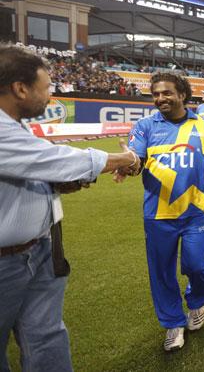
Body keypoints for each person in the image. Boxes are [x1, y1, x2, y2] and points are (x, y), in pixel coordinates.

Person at [0, 45, 137, 371]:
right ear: (20, 89)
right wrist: (125, 159)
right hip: (5, 265)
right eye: (47, 88)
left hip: (41, 251)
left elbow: (35, 169)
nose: (51, 95)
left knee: (47, 339)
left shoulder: (16, 124)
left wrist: (59, 182)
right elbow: (52, 159)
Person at [117, 72, 204, 351]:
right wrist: (129, 165)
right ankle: (173, 324)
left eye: (166, 93)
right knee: (162, 273)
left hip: (196, 211)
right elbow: (137, 160)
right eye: (155, 94)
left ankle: (197, 302)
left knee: (196, 267)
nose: (160, 99)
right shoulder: (144, 126)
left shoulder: (203, 124)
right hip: (157, 214)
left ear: (182, 95)